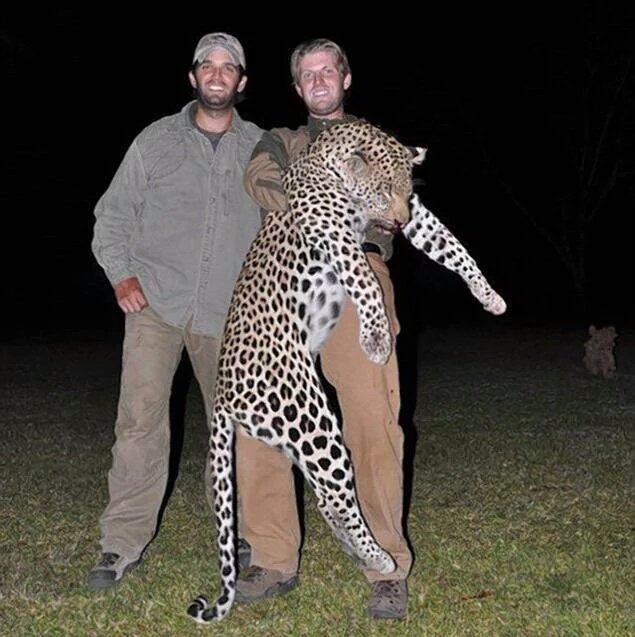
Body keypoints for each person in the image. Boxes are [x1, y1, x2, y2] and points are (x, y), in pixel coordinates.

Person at [236, 38, 412, 620]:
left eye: (327, 71)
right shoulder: (280, 140)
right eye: (306, 74)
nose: (317, 80)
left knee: (371, 415)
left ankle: (386, 568)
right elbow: (259, 179)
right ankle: (271, 558)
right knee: (262, 417)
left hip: (357, 273)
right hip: (281, 280)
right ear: (296, 87)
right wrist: (324, 198)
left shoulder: (377, 142)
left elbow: (395, 209)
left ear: (346, 77)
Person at [87, 32, 263, 589]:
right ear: (193, 76)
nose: (217, 74)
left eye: (228, 67)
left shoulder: (262, 148)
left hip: (231, 313)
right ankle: (120, 543)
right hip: (156, 305)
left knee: (234, 429)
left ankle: (238, 531)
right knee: (139, 422)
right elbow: (113, 216)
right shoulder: (155, 140)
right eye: (208, 65)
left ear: (241, 81)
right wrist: (122, 275)